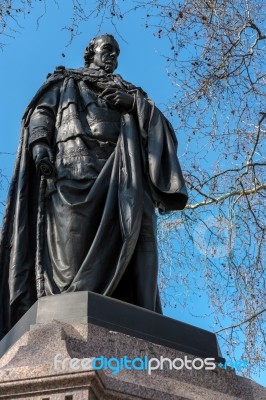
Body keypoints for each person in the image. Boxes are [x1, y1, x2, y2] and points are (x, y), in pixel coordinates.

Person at [0, 34, 188, 339]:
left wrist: (136, 106)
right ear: (91, 53)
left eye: (116, 52)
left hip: (126, 173)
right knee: (71, 251)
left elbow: (162, 129)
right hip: (76, 167)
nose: (112, 56)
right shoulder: (65, 81)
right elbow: (41, 112)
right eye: (106, 50)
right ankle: (64, 311)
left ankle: (146, 318)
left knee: (142, 234)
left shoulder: (130, 92)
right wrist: (39, 144)